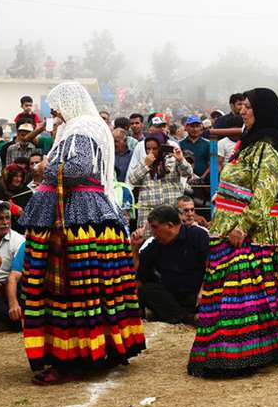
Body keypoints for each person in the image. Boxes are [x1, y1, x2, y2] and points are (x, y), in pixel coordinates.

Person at [17, 82, 146, 384]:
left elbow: (78, 168)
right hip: (79, 211)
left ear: (69, 103)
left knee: (73, 288)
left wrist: (46, 167)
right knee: (93, 285)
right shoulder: (81, 127)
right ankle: (103, 348)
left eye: (57, 105)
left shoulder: (81, 127)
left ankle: (73, 357)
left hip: (74, 215)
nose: (54, 112)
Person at [188, 88, 278, 377]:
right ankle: (237, 350)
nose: (242, 111)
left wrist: (242, 226)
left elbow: (265, 192)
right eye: (242, 107)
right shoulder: (246, 144)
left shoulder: (269, 147)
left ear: (263, 110)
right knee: (238, 294)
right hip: (228, 227)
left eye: (248, 107)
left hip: (254, 232)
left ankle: (242, 353)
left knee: (244, 294)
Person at [132, 205, 209, 325]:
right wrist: (135, 247)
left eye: (155, 227)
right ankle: (187, 317)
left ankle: (178, 315)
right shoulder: (155, 244)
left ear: (169, 225)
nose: (152, 232)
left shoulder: (197, 235)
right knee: (145, 290)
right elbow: (136, 272)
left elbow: (213, 265)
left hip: (197, 295)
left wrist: (204, 289)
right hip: (171, 297)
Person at [129, 133, 193, 226]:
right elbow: (132, 180)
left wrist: (181, 159)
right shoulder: (144, 161)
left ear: (162, 147)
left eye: (155, 148)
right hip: (148, 213)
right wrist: (146, 165)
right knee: (148, 239)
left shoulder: (172, 160)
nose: (151, 152)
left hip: (171, 211)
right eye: (148, 149)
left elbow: (188, 173)